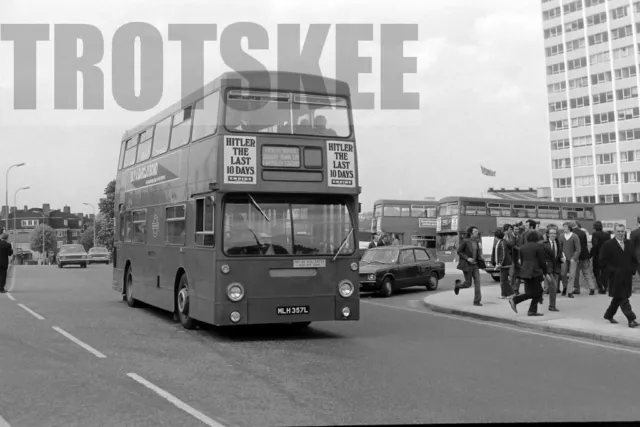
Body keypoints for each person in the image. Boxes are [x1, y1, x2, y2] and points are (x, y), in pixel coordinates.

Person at [600, 224, 639, 328]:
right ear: (614, 232)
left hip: (627, 276)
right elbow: (603, 261)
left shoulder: (629, 243)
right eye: (618, 231)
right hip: (615, 277)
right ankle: (631, 319)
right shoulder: (608, 244)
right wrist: (613, 271)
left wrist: (632, 270)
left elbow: (634, 259)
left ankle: (609, 315)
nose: (621, 233)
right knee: (623, 297)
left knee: (618, 297)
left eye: (622, 231)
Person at [508, 231, 549, 316]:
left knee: (535, 291)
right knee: (536, 292)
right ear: (536, 238)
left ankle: (532, 310)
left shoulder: (522, 247)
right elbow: (542, 261)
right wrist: (545, 272)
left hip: (525, 271)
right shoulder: (538, 246)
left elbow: (522, 260)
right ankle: (515, 300)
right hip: (535, 271)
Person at [454, 226, 483, 306]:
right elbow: (459, 251)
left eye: (477, 231)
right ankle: (458, 285)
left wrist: (480, 256)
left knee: (478, 283)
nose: (477, 233)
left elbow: (477, 253)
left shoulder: (477, 241)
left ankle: (477, 301)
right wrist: (467, 258)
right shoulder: (465, 241)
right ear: (471, 233)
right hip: (467, 265)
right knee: (468, 284)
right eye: (475, 231)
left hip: (475, 265)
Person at [573, 220, 597, 296]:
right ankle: (592, 287)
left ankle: (577, 289)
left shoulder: (572, 233)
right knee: (587, 272)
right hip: (585, 254)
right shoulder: (583, 232)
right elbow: (585, 244)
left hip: (577, 255)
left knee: (576, 273)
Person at [541, 226, 562, 312]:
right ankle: (551, 305)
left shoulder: (559, 243)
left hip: (556, 267)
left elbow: (559, 255)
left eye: (554, 233)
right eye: (551, 233)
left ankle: (552, 306)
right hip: (548, 268)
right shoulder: (544, 244)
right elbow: (541, 256)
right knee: (553, 285)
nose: (553, 235)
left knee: (554, 287)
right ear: (548, 234)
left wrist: (562, 259)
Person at [558, 221, 580, 298]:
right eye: (563, 226)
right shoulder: (561, 236)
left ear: (569, 228)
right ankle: (565, 287)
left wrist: (574, 258)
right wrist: (561, 255)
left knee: (572, 275)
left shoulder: (575, 236)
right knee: (563, 274)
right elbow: (559, 248)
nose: (564, 228)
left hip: (573, 259)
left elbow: (578, 249)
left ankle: (570, 291)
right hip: (564, 258)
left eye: (565, 227)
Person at [491, 229, 513, 299]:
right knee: (502, 280)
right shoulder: (501, 242)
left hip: (504, 264)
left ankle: (510, 293)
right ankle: (503, 294)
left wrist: (500, 263)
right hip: (503, 264)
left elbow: (503, 254)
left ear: (496, 236)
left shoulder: (502, 242)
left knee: (504, 280)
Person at [590, 220, 610, 294]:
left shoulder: (595, 234)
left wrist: (590, 255)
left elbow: (595, 245)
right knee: (604, 272)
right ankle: (605, 286)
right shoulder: (607, 234)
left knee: (596, 272)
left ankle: (601, 287)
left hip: (597, 255)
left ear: (595, 227)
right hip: (606, 256)